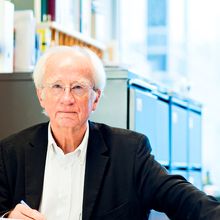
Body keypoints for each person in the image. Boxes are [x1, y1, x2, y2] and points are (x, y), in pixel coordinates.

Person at [0, 46, 220, 220]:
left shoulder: (129, 152)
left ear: (95, 98)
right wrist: (7, 217)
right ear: (41, 96)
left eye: (78, 87)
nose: (67, 98)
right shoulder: (10, 153)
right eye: (57, 86)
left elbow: (182, 199)